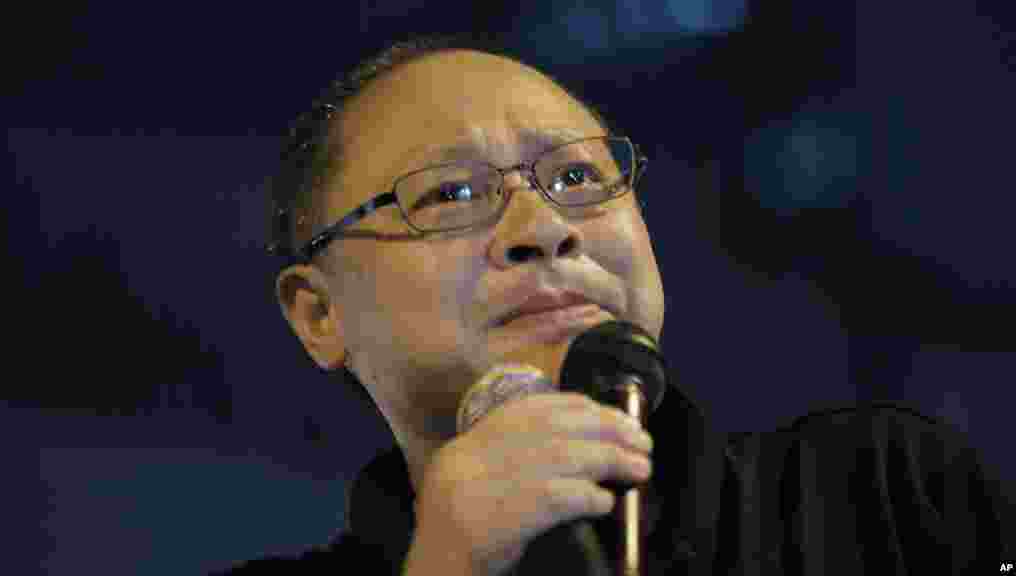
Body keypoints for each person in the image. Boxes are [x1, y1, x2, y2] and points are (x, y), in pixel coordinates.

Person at [215, 33, 1013, 575]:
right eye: (452, 193)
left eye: (575, 178)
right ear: (320, 314)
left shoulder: (887, 495)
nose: (546, 228)